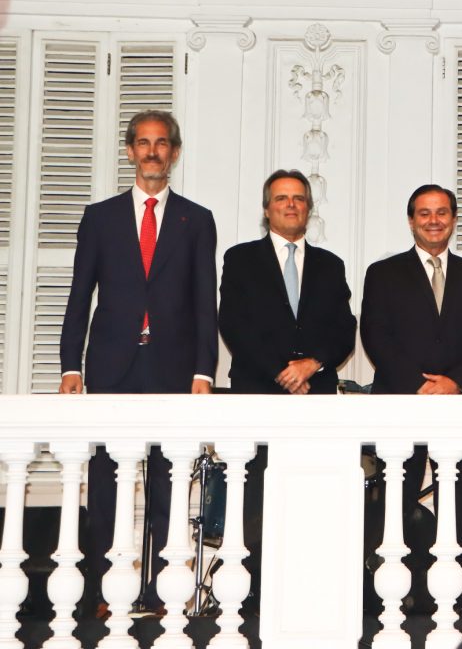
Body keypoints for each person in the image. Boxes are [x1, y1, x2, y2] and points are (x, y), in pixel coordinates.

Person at [58, 109, 217, 616]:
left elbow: (205, 302)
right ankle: (107, 592)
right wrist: (70, 365)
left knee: (168, 485)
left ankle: (165, 593)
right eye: (143, 143)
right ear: (130, 151)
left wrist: (204, 371)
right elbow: (79, 296)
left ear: (174, 152)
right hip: (112, 366)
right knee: (106, 484)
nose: (152, 151)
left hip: (173, 369)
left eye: (162, 143)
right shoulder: (99, 217)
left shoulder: (197, 220)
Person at [360, 184, 462, 611]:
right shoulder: (383, 273)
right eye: (424, 213)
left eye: (442, 212)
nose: (433, 220)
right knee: (396, 506)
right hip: (400, 405)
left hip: (461, 405)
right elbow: (375, 336)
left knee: (457, 506)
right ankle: (397, 596)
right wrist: (419, 386)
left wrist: (454, 382)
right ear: (411, 221)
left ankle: (452, 598)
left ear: (454, 220)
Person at [218, 169, 357, 602]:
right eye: (281, 198)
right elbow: (233, 325)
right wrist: (283, 372)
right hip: (258, 395)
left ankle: (309, 592)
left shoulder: (331, 265)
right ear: (267, 209)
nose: (291, 205)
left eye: (298, 198)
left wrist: (313, 365)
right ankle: (255, 596)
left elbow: (345, 329)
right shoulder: (240, 259)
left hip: (316, 398)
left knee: (313, 499)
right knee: (257, 499)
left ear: (309, 208)